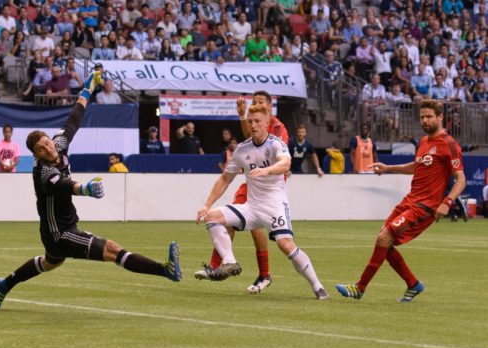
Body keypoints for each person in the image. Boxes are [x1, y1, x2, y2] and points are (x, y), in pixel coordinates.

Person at [0, 72, 182, 310]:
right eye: (41, 149)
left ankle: (4, 285)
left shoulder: (58, 144)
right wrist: (86, 189)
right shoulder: (43, 171)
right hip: (59, 234)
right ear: (36, 155)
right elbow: (63, 185)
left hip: (61, 228)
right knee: (112, 250)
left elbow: (73, 120)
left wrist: (86, 90)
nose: (48, 149)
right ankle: (166, 270)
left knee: (49, 263)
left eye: (48, 143)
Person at [195, 103, 329, 300]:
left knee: (286, 245)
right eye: (250, 121)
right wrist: (207, 204)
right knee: (211, 216)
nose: (254, 125)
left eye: (258, 121)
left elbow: (286, 163)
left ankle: (317, 286)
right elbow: (225, 178)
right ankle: (229, 261)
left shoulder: (275, 144)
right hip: (252, 207)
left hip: (274, 207)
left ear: (267, 123)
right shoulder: (242, 149)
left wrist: (265, 170)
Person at [336, 100, 466, 302]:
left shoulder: (449, 144)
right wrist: (389, 168)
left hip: (424, 207)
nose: (424, 120)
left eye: (429, 116)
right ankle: (413, 284)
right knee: (384, 243)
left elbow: (461, 178)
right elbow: (417, 166)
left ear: (440, 117)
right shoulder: (424, 142)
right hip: (409, 201)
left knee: (383, 240)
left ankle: (360, 288)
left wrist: (447, 201)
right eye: (422, 117)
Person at [197, 90, 289, 293]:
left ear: (269, 107)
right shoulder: (255, 123)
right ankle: (218, 265)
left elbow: (276, 155)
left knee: (265, 232)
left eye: (260, 102)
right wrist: (242, 117)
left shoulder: (278, 128)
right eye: (253, 102)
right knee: (228, 217)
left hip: (269, 187)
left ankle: (264, 274)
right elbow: (250, 138)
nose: (255, 105)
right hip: (252, 182)